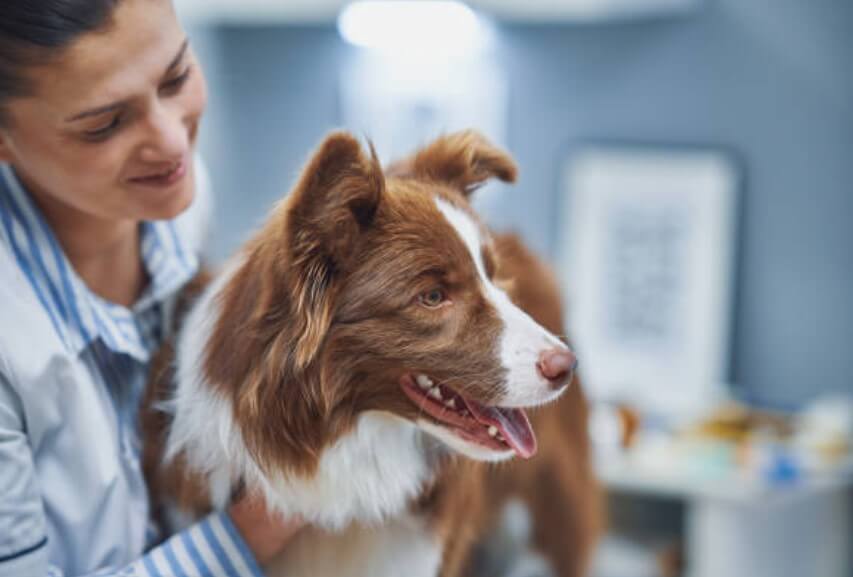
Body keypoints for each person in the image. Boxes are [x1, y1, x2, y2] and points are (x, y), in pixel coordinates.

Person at [0, 0, 304, 575]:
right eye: (104, 125)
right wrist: (261, 526)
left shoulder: (181, 206)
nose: (170, 144)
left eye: (177, 77)